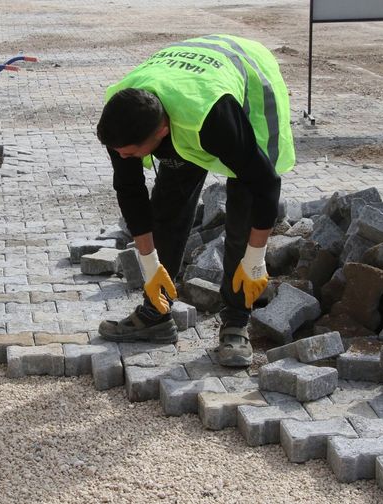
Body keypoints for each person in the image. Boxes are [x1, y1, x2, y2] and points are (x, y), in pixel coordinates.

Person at [96, 34, 296, 367]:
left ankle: (235, 322)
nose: (121, 156)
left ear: (160, 131)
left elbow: (265, 184)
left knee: (241, 217)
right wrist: (149, 264)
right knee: (166, 207)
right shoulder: (122, 116)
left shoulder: (212, 118)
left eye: (128, 152)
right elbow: (130, 191)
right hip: (184, 90)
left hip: (248, 84)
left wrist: (255, 260)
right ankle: (156, 313)